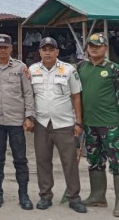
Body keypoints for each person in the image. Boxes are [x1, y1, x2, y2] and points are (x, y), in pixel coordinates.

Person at [78, 33, 119, 217]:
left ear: (105, 48)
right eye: (91, 45)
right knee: (94, 160)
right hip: (89, 124)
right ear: (86, 48)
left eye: (98, 45)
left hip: (111, 124)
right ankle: (97, 195)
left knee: (117, 162)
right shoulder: (80, 68)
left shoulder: (114, 69)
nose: (94, 48)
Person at [29, 37, 86, 213]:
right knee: (43, 161)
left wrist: (78, 122)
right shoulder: (31, 70)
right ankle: (45, 195)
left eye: (51, 49)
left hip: (65, 123)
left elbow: (76, 96)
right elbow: (29, 96)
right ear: (39, 52)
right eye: (44, 49)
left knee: (69, 162)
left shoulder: (69, 70)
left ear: (57, 52)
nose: (47, 52)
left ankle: (74, 197)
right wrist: (29, 118)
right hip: (41, 123)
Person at [0, 33, 35, 210]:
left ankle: (24, 195)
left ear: (11, 48)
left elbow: (28, 93)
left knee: (20, 160)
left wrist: (29, 116)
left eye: (6, 47)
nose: (2, 49)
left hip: (16, 121)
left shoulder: (21, 68)